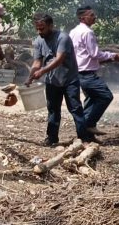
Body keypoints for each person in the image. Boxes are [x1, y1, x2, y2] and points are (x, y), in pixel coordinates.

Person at [27, 13, 95, 146]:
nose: (39, 31)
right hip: (52, 81)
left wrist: (42, 71)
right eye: (37, 29)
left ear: (51, 26)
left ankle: (83, 138)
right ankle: (52, 138)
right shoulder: (39, 41)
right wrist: (30, 77)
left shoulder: (63, 38)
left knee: (75, 109)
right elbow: (37, 62)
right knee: (53, 110)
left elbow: (59, 59)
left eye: (42, 28)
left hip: (69, 80)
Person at [69, 6, 119, 136]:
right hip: (87, 74)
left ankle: (85, 134)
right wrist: (112, 55)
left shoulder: (73, 31)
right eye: (91, 15)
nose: (95, 17)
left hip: (77, 72)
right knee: (106, 96)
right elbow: (94, 54)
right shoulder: (88, 32)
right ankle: (88, 125)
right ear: (82, 18)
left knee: (92, 99)